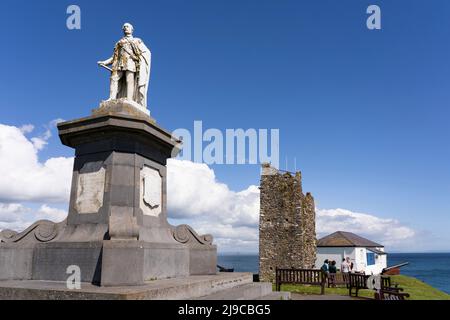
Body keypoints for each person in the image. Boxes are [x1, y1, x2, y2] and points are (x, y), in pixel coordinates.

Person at [98, 23, 151, 107]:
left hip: (131, 63)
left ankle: (129, 99)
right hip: (119, 64)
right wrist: (104, 62)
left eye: (127, 27)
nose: (125, 28)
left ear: (132, 29)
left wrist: (139, 58)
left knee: (129, 80)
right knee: (114, 79)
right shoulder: (119, 43)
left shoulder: (137, 41)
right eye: (124, 27)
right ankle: (112, 98)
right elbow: (114, 57)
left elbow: (146, 52)